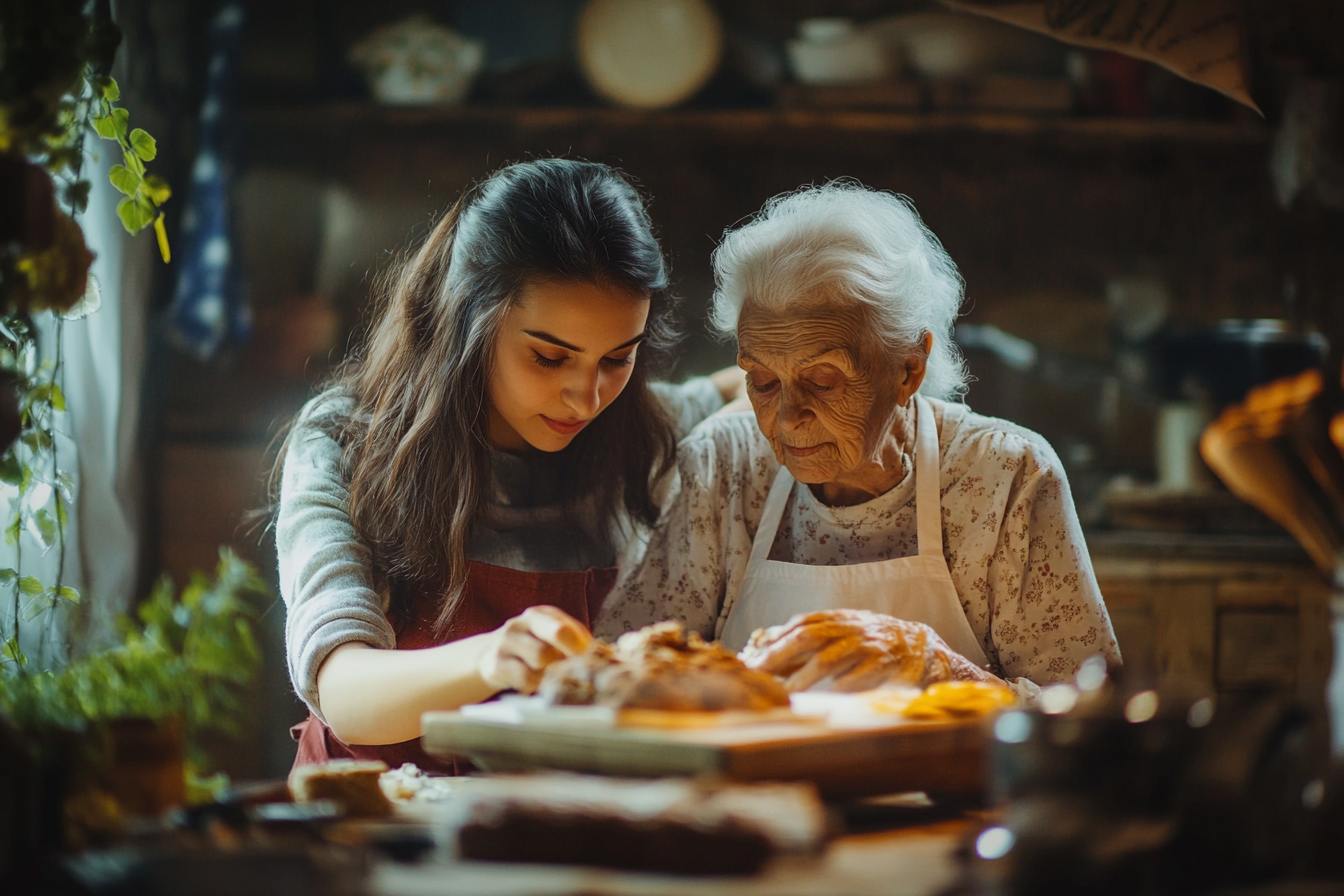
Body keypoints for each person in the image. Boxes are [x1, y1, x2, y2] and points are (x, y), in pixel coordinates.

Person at [277, 159, 741, 771]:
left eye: (617, 358)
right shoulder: (344, 440)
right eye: (549, 358)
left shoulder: (637, 424)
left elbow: (746, 387)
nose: (588, 397)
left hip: (549, 821)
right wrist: (490, 659)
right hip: (371, 815)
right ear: (469, 320)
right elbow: (341, 690)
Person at [598, 182, 1120, 694]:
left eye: (823, 381)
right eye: (762, 382)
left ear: (908, 370)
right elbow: (630, 672)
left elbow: (1086, 714)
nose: (787, 418)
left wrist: (934, 666)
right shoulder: (723, 464)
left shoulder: (1006, 476)